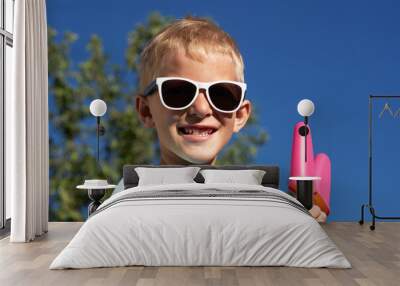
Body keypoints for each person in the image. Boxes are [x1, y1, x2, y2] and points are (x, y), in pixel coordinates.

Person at [115, 16, 326, 222]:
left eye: (222, 95)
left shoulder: (258, 203)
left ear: (240, 116)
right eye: (178, 91)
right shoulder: (127, 196)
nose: (200, 109)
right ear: (146, 111)